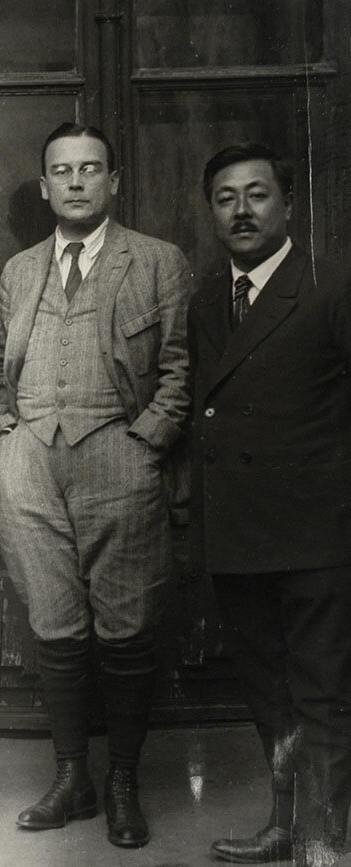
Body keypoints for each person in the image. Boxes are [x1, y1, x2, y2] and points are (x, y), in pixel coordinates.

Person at [0, 123, 191, 848]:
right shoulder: (19, 270)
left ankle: (124, 781)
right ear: (44, 186)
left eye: (90, 169)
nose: (75, 182)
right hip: (31, 461)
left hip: (118, 457)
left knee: (126, 627)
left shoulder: (157, 261)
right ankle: (72, 777)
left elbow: (180, 367)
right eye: (62, 171)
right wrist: (4, 431)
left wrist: (146, 441)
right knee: (54, 622)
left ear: (113, 180)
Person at [190, 143, 351, 867]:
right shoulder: (207, 300)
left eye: (257, 194)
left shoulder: (329, 286)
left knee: (321, 689)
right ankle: (286, 825)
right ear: (212, 212)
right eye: (226, 198)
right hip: (237, 531)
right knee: (268, 688)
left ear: (287, 203)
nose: (242, 211)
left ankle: (322, 838)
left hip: (316, 530)